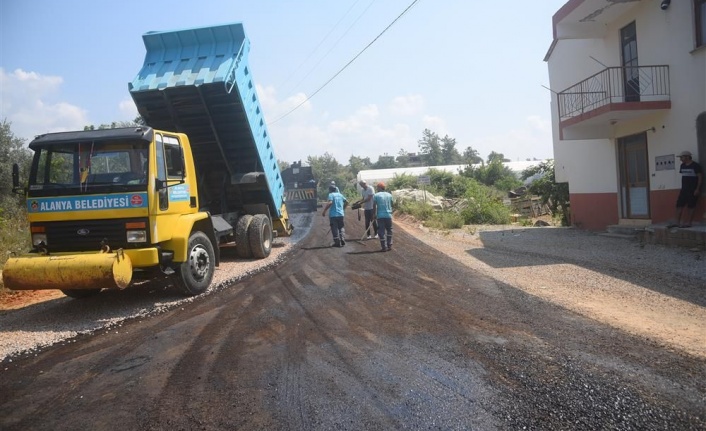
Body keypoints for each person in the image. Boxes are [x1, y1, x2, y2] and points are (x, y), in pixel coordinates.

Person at [668, 151, 703, 228]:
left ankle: (689, 222)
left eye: (682, 157)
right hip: (684, 190)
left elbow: (700, 177)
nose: (680, 159)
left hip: (693, 189)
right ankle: (677, 222)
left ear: (687, 157)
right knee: (679, 205)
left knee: (691, 206)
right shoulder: (682, 166)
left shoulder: (695, 166)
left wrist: (697, 189)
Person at [372, 182, 393, 252]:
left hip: (380, 216)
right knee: (389, 230)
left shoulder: (376, 195)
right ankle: (389, 245)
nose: (377, 188)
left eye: (377, 187)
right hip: (388, 215)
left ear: (380, 188)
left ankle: (384, 247)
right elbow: (392, 204)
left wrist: (374, 214)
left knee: (381, 231)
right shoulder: (389, 195)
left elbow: (374, 205)